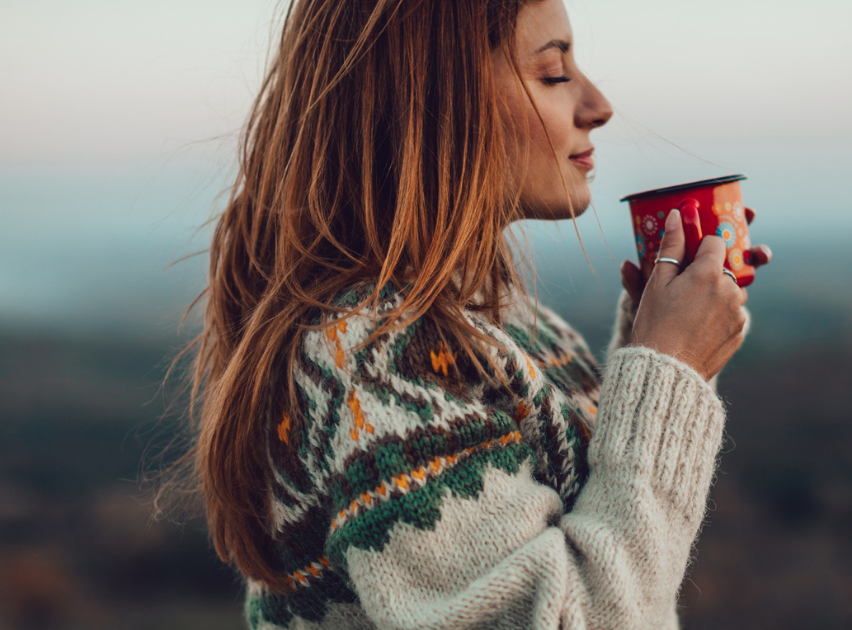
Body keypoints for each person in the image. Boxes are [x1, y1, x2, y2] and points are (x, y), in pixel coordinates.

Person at [183, 0, 772, 627]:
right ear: (436, 107)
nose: (598, 106)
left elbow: (605, 543)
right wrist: (667, 372)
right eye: (553, 73)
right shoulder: (372, 358)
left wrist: (658, 341)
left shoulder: (511, 326)